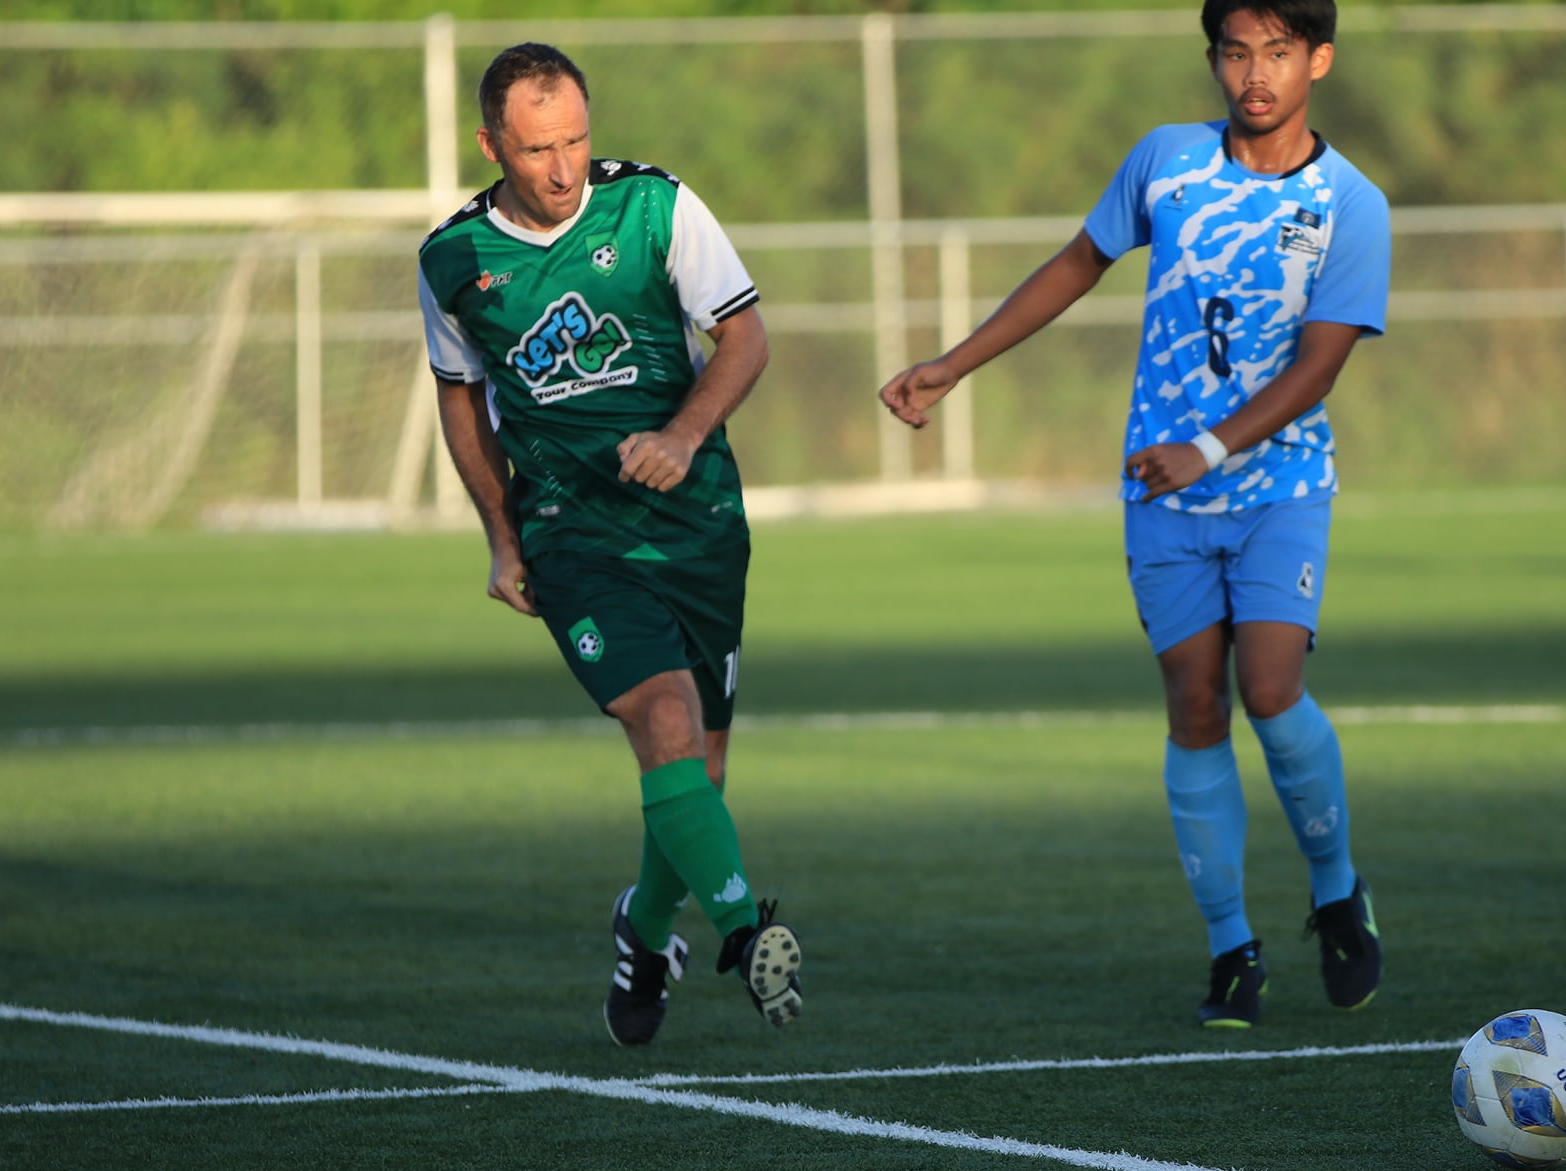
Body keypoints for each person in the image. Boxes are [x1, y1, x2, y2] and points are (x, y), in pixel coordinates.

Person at [880, 0, 1388, 1026]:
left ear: (1317, 61)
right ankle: (1230, 952)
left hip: (1277, 486)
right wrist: (948, 366)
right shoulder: (1164, 162)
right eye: (1236, 52)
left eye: (1278, 53)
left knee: (1270, 686)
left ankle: (1336, 895)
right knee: (1195, 706)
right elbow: (1073, 267)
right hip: (1159, 496)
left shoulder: (1348, 204)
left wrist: (1206, 447)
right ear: (1212, 59)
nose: (1255, 73)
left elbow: (1319, 366)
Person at [417, 43, 801, 1047]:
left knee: (699, 775)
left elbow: (746, 335)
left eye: (576, 140)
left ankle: (641, 928)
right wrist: (502, 538)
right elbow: (459, 398)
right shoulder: (452, 259)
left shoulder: (655, 208)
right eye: (537, 149)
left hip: (699, 523)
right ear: (491, 144)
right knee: (664, 724)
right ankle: (740, 933)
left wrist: (680, 436)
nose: (561, 168)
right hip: (572, 535)